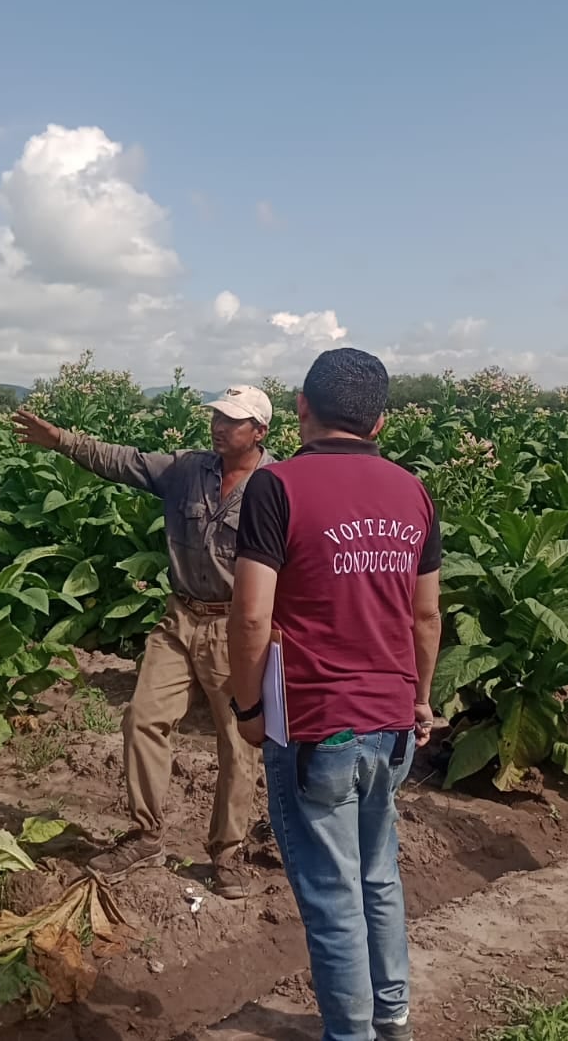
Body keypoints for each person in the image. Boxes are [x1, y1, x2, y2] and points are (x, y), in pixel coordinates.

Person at [226, 348, 444, 1041]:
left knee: (330, 895)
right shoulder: (413, 492)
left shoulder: (275, 487)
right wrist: (420, 701)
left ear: (300, 407)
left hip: (318, 724)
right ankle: (393, 1018)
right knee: (378, 875)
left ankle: (350, 1034)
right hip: (392, 722)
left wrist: (249, 708)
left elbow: (252, 614)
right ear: (379, 422)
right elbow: (426, 617)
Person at [12, 386, 274, 899]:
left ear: (259, 432)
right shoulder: (185, 468)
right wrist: (61, 440)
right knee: (142, 718)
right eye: (217, 416)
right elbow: (121, 460)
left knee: (238, 741)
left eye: (233, 421)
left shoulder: (278, 486)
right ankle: (145, 833)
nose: (220, 426)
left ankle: (227, 851)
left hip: (236, 627)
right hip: (179, 618)